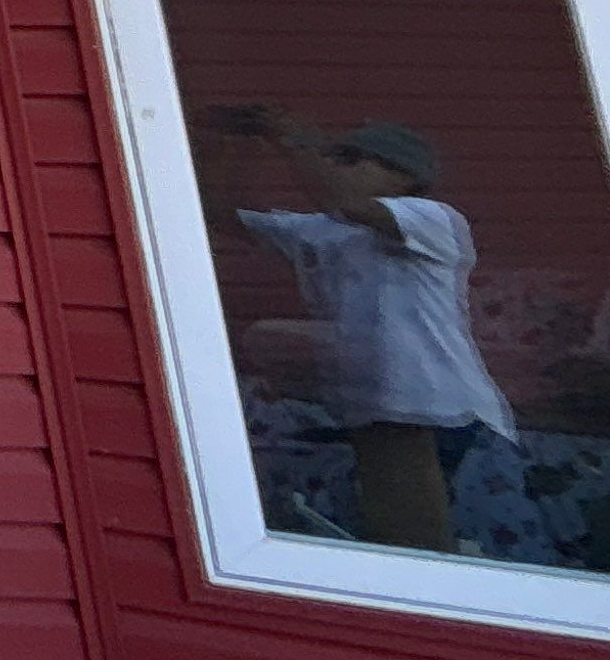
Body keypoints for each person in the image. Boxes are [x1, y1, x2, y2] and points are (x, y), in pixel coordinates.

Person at [213, 111, 515, 552]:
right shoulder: (326, 230)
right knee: (393, 533)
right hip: (376, 400)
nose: (337, 166)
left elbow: (345, 203)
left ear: (404, 176)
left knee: (415, 539)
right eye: (338, 157)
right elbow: (221, 216)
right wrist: (229, 146)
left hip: (430, 403)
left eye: (354, 159)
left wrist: (291, 140)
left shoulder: (432, 217)